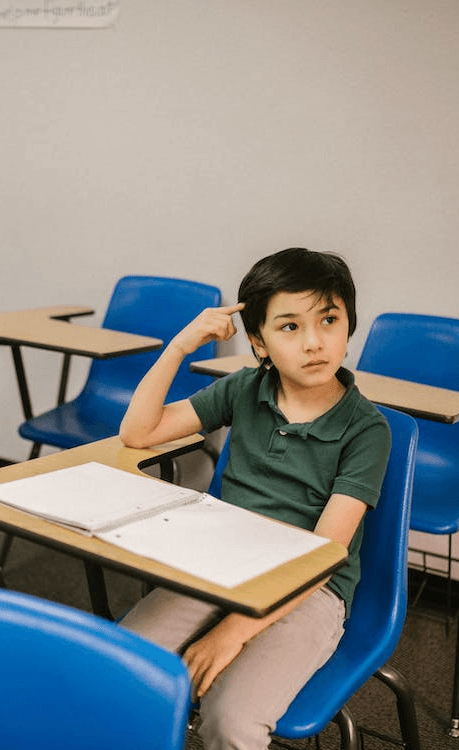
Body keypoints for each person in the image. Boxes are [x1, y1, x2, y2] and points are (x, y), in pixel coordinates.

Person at [118, 247, 390, 749]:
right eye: (289, 327)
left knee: (231, 718)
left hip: (312, 589)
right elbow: (139, 432)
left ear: (349, 327)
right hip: (225, 564)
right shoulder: (245, 389)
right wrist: (180, 347)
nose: (314, 342)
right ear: (258, 342)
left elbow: (325, 554)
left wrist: (232, 631)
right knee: (124, 666)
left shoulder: (367, 430)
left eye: (329, 320)